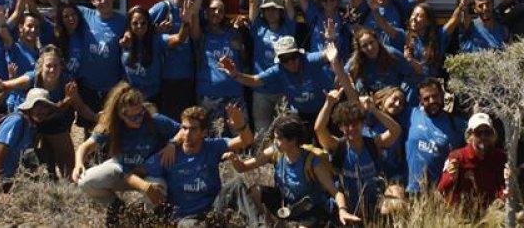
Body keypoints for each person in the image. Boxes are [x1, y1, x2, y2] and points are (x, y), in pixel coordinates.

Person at [124, 104, 254, 225]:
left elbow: (246, 140)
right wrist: (146, 186)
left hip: (214, 209)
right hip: (185, 218)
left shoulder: (212, 146)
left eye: (193, 129)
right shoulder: (169, 154)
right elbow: (131, 174)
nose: (187, 134)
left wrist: (241, 126)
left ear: (204, 132)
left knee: (236, 184)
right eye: (184, 128)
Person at [74, 83, 180, 225]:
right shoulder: (111, 126)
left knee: (156, 192)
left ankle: (150, 219)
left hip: (151, 172)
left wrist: (172, 143)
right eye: (133, 117)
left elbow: (183, 130)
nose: (139, 119)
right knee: (86, 181)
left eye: (141, 113)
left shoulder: (155, 121)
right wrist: (79, 163)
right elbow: (85, 146)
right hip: (124, 170)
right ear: (120, 114)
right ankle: (118, 210)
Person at [228, 113, 361, 226]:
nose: (275, 142)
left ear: (293, 140)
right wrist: (235, 160)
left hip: (310, 210)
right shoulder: (275, 152)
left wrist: (342, 210)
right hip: (285, 204)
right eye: (275, 137)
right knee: (255, 191)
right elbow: (243, 168)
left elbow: (335, 192)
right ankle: (263, 224)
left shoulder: (312, 162)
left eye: (279, 138)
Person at [0, 45, 82, 178]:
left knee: (60, 152)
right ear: (41, 67)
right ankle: (10, 176)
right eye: (49, 66)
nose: (52, 69)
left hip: (49, 117)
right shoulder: (31, 79)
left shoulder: (66, 82)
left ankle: (64, 181)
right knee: (17, 148)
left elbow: (80, 107)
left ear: (61, 67)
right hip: (29, 118)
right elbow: (8, 85)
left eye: (56, 66)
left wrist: (96, 118)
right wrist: (0, 86)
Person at [220, 36, 345, 129]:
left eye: (293, 57)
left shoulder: (309, 60)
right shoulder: (278, 71)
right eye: (285, 59)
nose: (291, 63)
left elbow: (328, 53)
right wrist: (235, 74)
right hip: (302, 115)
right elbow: (255, 80)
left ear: (299, 54)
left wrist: (332, 52)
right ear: (279, 61)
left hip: (326, 110)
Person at [314, 89, 402, 221]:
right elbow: (319, 129)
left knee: (397, 201)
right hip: (347, 207)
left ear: (362, 124)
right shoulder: (338, 146)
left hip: (374, 206)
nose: (351, 129)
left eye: (355, 124)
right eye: (346, 125)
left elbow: (395, 130)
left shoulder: (373, 144)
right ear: (340, 127)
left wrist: (373, 109)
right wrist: (329, 104)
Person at [244, 0, 297, 133]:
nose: (271, 12)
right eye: (267, 10)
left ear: (281, 12)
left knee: (286, 132)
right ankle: (262, 161)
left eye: (276, 9)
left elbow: (290, 2)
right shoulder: (258, 28)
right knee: (262, 132)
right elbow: (252, 2)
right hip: (261, 91)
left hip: (284, 87)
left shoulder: (289, 27)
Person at [146, 0, 209, 119]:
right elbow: (137, 26)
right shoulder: (163, 8)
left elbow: (195, 37)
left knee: (189, 119)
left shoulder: (196, 8)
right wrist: (155, 30)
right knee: (171, 121)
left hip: (190, 76)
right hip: (167, 77)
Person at [75, 0, 129, 130]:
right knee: (89, 128)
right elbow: (58, 4)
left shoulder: (123, 21)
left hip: (111, 87)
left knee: (111, 128)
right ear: (92, 1)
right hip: (88, 86)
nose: (103, 1)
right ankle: (88, 154)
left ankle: (108, 154)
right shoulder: (85, 15)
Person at [191, 0, 249, 130]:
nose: (216, 13)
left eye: (221, 10)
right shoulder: (202, 35)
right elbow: (193, 16)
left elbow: (245, 60)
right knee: (213, 136)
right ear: (205, 12)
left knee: (240, 135)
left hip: (235, 93)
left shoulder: (233, 33)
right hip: (209, 95)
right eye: (213, 9)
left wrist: (241, 47)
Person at [120, 0, 195, 103]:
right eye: (135, 23)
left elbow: (179, 39)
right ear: (129, 24)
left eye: (143, 23)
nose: (139, 26)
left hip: (152, 97)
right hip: (129, 97)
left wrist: (185, 23)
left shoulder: (157, 40)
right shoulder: (125, 41)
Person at [405, 78, 466, 194]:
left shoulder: (457, 124)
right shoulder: (411, 114)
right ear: (420, 100)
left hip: (440, 192)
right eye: (426, 98)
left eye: (435, 96)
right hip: (411, 190)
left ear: (442, 95)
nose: (432, 101)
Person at [0, 87, 60, 191]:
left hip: (12, 179)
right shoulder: (16, 121)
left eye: (45, 107)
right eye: (38, 106)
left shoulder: (33, 126)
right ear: (29, 107)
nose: (42, 111)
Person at [437, 112, 506, 213]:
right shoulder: (457, 157)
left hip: (491, 213)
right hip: (462, 214)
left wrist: (503, 197)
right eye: (478, 133)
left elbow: (503, 188)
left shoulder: (500, 157)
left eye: (487, 132)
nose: (483, 137)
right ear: (470, 135)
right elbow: (442, 190)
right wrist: (452, 177)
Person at [347, 27, 418, 97]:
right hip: (375, 100)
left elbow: (411, 74)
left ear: (377, 41)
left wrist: (401, 92)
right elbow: (344, 73)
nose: (370, 48)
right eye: (364, 46)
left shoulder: (391, 54)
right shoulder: (357, 61)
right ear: (360, 49)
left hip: (394, 97)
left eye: (371, 42)